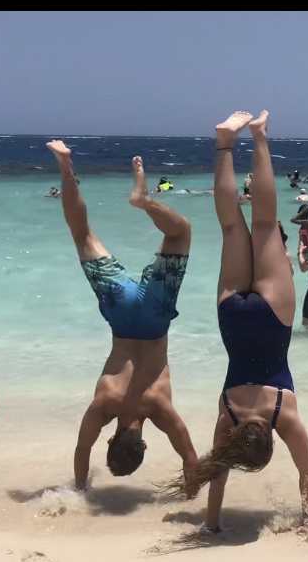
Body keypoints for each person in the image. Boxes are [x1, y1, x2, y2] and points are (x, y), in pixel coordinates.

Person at [192, 110, 308, 533]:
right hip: (232, 316)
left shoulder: (285, 415)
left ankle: (260, 135)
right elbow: (216, 476)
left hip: (272, 316)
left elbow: (307, 473)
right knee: (231, 227)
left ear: (268, 438)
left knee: (263, 224)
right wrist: (210, 524)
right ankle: (225, 142)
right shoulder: (227, 417)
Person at [46, 141, 198, 490]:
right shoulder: (104, 405)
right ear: (111, 440)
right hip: (121, 315)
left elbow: (190, 457)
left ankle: (146, 201)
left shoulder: (158, 407)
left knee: (180, 232)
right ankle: (66, 167)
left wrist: (190, 495)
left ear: (144, 445)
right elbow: (82, 450)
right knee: (81, 233)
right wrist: (80, 490)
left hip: (156, 318)